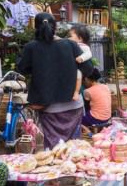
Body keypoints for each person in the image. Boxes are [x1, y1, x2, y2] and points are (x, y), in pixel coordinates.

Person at [18, 13, 93, 149]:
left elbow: (23, 69)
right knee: (73, 149)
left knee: (54, 150)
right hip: (73, 105)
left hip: (48, 107)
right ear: (56, 27)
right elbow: (88, 69)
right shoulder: (70, 44)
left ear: (36, 27)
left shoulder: (31, 47)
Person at [69, 24, 92, 101]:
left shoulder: (83, 46)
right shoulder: (71, 45)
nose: (69, 38)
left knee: (78, 74)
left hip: (79, 69)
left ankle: (76, 92)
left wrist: (82, 58)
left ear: (80, 39)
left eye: (71, 36)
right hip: (73, 68)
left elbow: (89, 54)